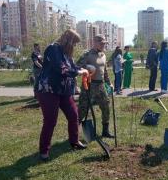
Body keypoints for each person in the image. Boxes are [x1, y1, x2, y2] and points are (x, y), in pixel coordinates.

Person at [37, 29, 88, 161]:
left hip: (63, 90)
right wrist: (78, 73)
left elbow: (72, 66)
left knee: (74, 115)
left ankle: (74, 141)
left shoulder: (66, 53)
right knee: (50, 121)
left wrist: (82, 70)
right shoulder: (53, 49)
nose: (75, 47)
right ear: (68, 41)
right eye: (74, 43)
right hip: (48, 90)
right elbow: (61, 68)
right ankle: (44, 151)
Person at [77, 35, 115, 138]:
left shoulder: (103, 55)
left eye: (104, 43)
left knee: (106, 107)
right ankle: (74, 134)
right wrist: (87, 68)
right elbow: (77, 67)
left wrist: (109, 83)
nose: (103, 45)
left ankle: (105, 131)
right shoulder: (87, 55)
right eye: (101, 43)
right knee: (82, 109)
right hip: (89, 85)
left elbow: (105, 71)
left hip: (101, 85)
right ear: (95, 42)